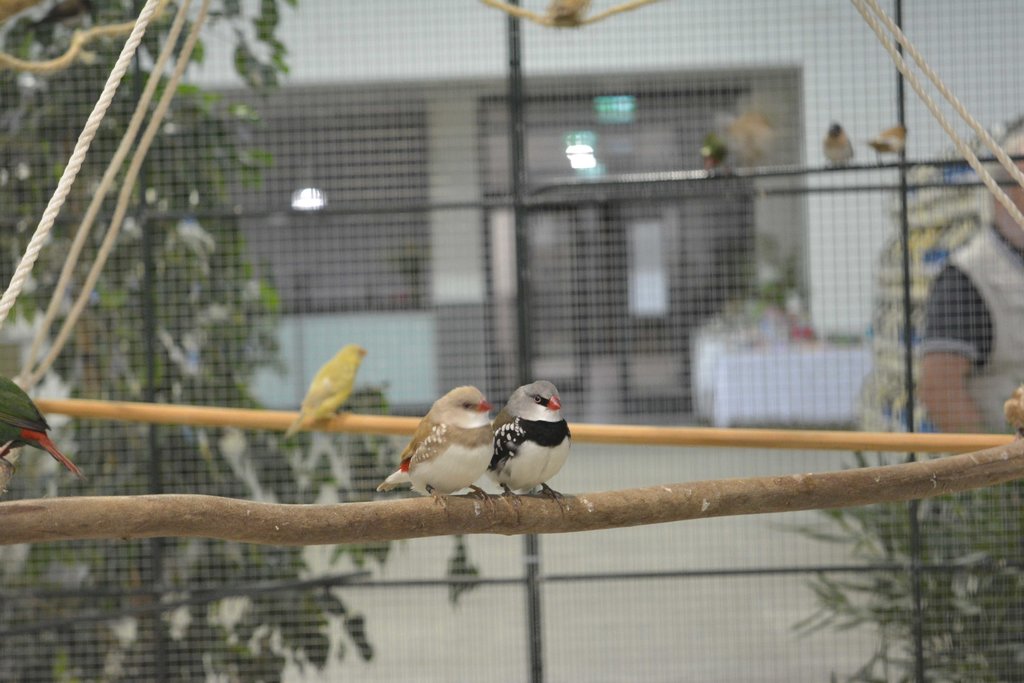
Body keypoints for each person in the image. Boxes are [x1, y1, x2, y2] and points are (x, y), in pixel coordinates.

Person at [919, 133, 1024, 433]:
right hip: (1008, 466)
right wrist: (991, 470)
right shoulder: (967, 277)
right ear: (1006, 193)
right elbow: (940, 390)